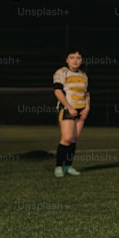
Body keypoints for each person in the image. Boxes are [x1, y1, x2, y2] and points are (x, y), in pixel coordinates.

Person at [52, 49, 90, 178]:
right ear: (67, 59)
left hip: (80, 110)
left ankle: (68, 166)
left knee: (74, 139)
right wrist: (69, 107)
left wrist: (86, 108)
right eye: (72, 57)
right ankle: (58, 166)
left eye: (78, 58)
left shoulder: (84, 75)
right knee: (67, 138)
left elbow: (86, 94)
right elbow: (57, 92)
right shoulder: (62, 72)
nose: (75, 60)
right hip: (67, 109)